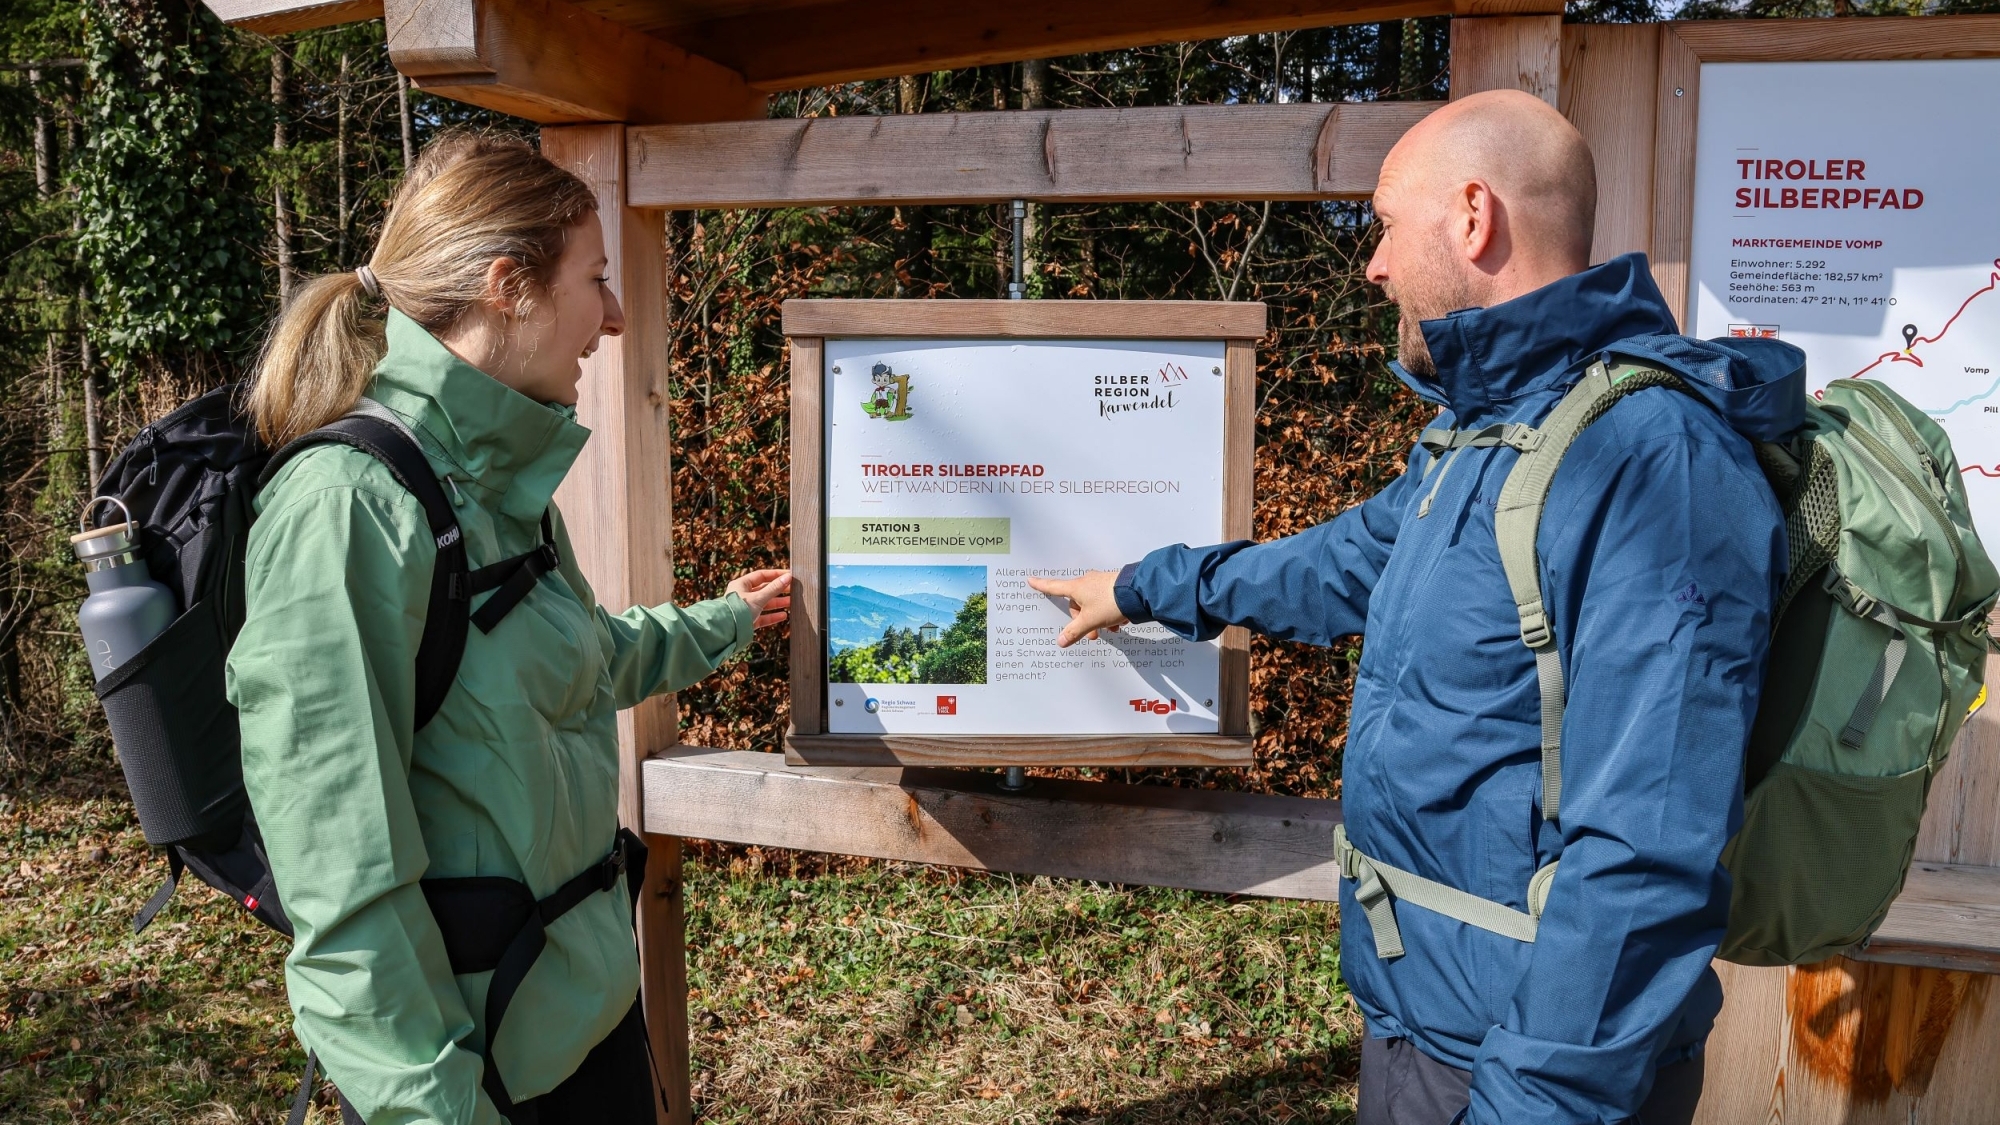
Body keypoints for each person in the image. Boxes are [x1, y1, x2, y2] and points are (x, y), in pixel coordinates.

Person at [1031, 89, 1805, 1124]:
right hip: (1422, 1023)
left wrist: (1532, 1104)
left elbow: (1644, 855)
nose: (1373, 264)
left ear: (1473, 217)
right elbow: (1339, 564)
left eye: (1387, 224)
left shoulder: (1652, 463)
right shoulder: (1492, 435)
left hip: (1531, 1070)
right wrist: (1140, 589)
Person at [226, 132, 791, 1124]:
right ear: (508, 287)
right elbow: (342, 889)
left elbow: (581, 662)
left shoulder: (496, 483)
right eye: (595, 279)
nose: (612, 317)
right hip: (477, 1082)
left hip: (586, 1018)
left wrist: (725, 622)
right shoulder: (348, 510)